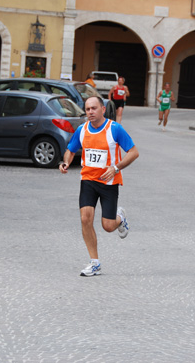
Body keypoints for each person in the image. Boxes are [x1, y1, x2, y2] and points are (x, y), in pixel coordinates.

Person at [59, 96, 139, 277]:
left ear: (103, 110)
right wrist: (65, 163)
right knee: (85, 219)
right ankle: (94, 263)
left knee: (108, 226)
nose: (90, 112)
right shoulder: (82, 130)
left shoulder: (114, 129)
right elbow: (70, 151)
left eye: (94, 108)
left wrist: (116, 167)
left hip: (109, 182)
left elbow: (134, 152)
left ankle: (120, 218)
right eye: (87, 109)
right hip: (88, 180)